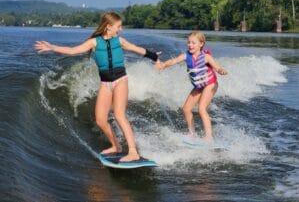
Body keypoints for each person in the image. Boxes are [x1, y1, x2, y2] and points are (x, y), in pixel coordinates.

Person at [35, 12, 159, 162]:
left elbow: (137, 49)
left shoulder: (120, 40)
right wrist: (52, 47)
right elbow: (74, 50)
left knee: (119, 114)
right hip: (106, 84)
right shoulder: (94, 42)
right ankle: (116, 146)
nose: (121, 29)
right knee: (100, 120)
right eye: (118, 26)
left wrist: (155, 57)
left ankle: (133, 151)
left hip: (121, 80)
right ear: (108, 27)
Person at [156, 31, 227, 143]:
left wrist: (221, 70)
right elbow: (174, 61)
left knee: (201, 108)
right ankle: (191, 134)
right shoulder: (186, 55)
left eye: (193, 43)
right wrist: (163, 65)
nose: (190, 45)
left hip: (210, 84)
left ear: (201, 44)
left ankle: (209, 137)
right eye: (188, 42)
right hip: (199, 86)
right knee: (186, 109)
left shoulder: (206, 57)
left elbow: (217, 67)